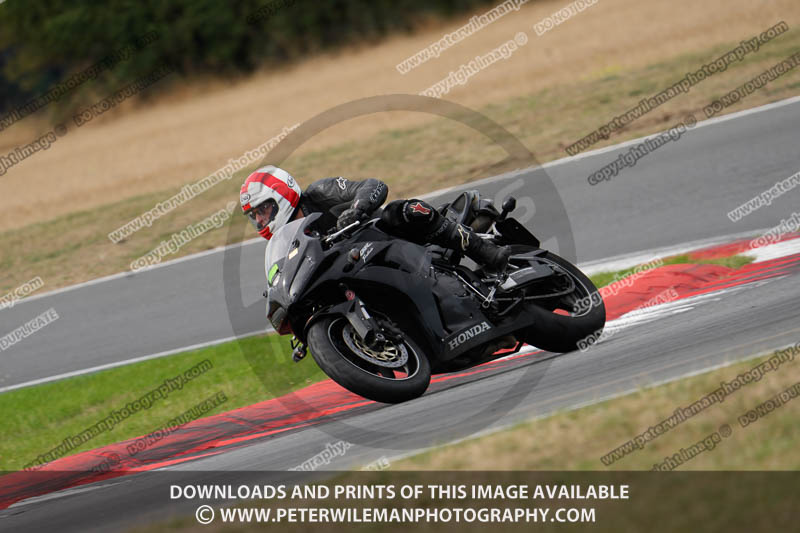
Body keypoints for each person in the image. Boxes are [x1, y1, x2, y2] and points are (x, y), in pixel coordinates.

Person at [240, 165, 511, 269]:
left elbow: (374, 185)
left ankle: (485, 252)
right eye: (254, 217)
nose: (260, 221)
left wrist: (356, 210)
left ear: (282, 195)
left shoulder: (320, 192)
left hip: (390, 240)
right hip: (361, 269)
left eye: (262, 211)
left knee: (404, 210)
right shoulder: (286, 243)